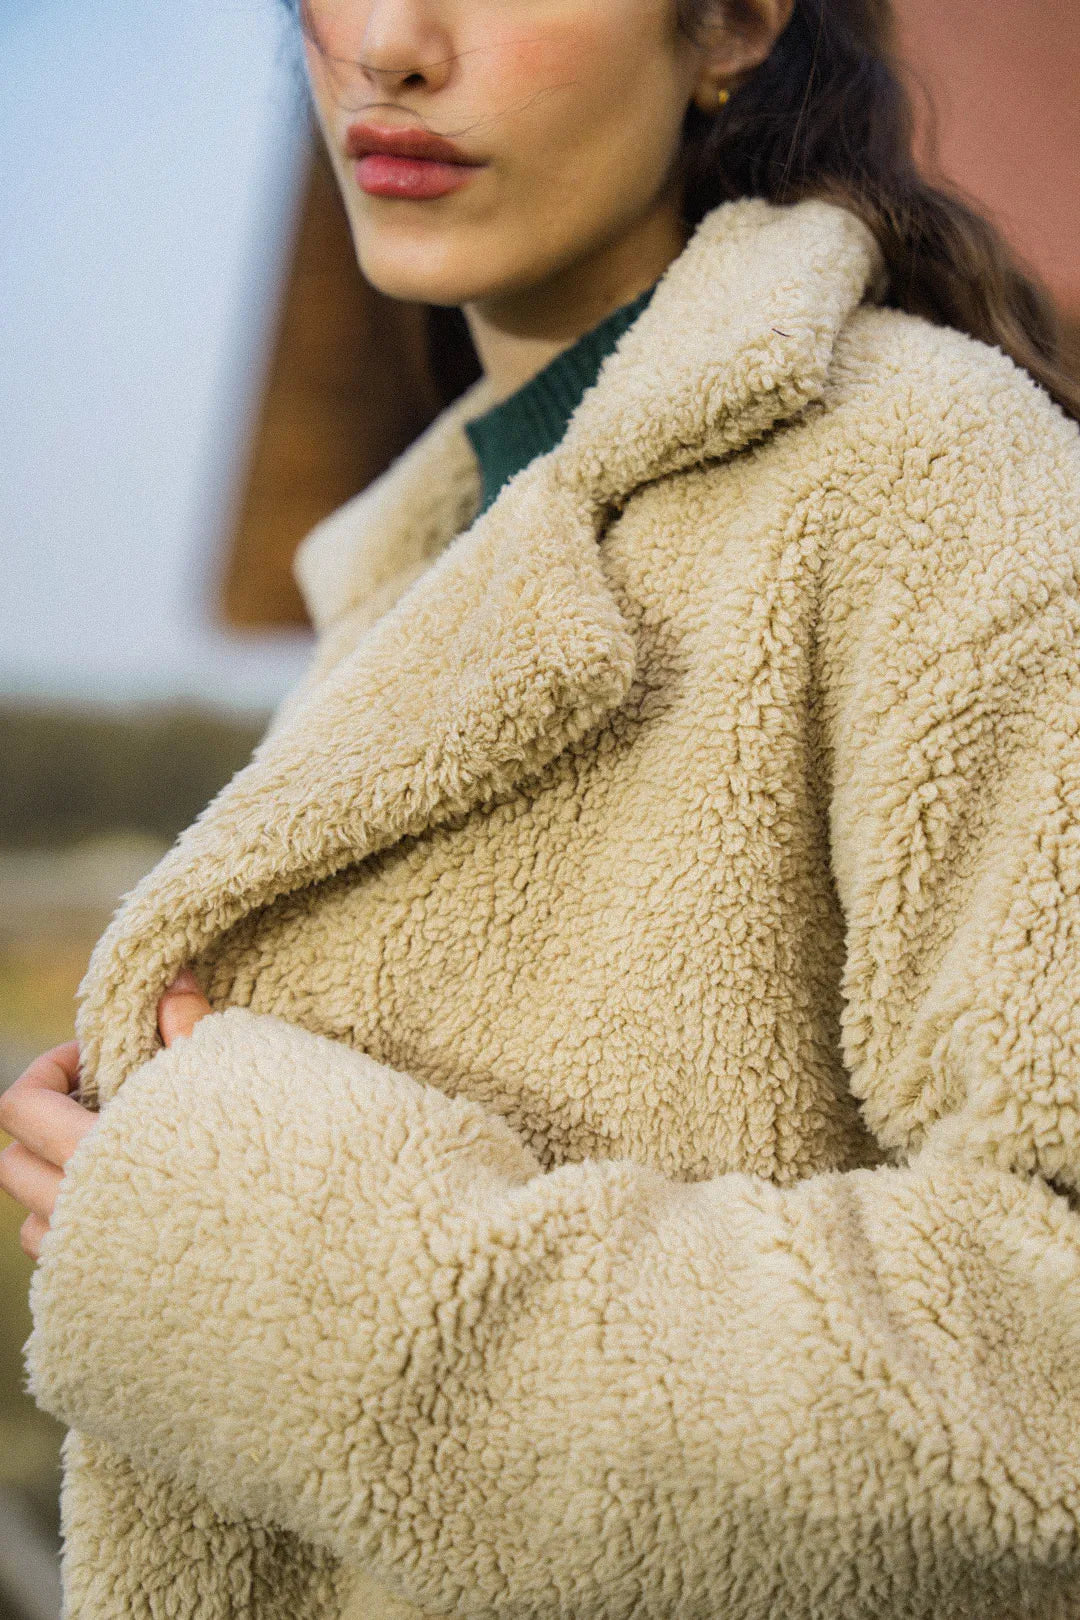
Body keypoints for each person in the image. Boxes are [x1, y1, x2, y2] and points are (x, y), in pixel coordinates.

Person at [2, 0, 1080, 1614]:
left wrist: (248, 1247)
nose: (387, 45)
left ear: (729, 25)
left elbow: (1043, 1385)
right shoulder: (402, 577)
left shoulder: (931, 472)